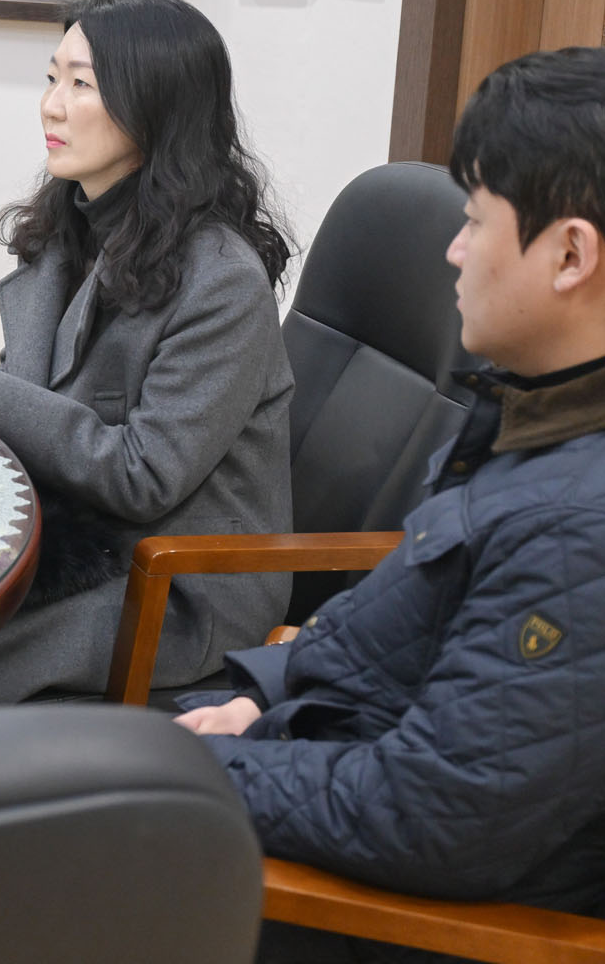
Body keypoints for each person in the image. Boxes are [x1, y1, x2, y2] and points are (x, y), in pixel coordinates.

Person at [179, 48, 605, 956]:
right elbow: (402, 611)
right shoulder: (532, 410)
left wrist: (186, 772)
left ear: (571, 254)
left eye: (475, 221)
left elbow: (432, 816)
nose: (454, 251)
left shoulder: (578, 527)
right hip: (327, 768)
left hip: (385, 917)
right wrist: (265, 697)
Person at [0, 0, 295, 705]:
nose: (51, 105)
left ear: (157, 106)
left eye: (82, 85)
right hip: (67, 529)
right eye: (53, 78)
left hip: (171, 579)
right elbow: (34, 400)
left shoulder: (222, 281)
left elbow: (144, 477)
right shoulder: (76, 226)